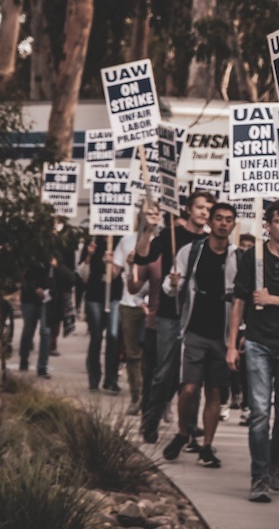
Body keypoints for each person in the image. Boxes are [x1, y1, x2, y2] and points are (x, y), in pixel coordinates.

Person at [227, 205, 279, 502]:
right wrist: (231, 345)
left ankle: (277, 459)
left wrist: (272, 299)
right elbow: (239, 301)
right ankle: (259, 477)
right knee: (260, 413)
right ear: (268, 225)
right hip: (257, 342)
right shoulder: (254, 256)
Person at [161, 201, 239, 468]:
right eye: (218, 218)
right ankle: (183, 432)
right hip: (194, 330)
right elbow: (172, 287)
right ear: (211, 222)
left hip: (222, 335)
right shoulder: (191, 251)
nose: (223, 223)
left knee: (215, 391)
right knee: (190, 388)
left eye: (229, 219)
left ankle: (207, 446)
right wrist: (173, 284)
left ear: (234, 224)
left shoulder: (237, 256)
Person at [134, 190, 215, 443]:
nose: (204, 213)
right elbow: (141, 256)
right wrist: (148, 228)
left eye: (208, 209)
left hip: (197, 315)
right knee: (165, 372)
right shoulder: (171, 234)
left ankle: (188, 425)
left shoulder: (211, 240)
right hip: (170, 314)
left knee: (193, 374)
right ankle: (151, 420)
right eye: (200, 207)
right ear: (189, 209)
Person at [114, 202, 161, 415]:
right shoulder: (127, 241)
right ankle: (137, 398)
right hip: (130, 305)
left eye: (156, 213)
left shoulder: (163, 242)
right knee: (133, 356)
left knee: (152, 357)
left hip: (155, 307)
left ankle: (156, 400)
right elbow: (115, 274)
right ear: (140, 215)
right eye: (148, 212)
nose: (152, 216)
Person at [78, 236, 122, 394]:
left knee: (113, 336)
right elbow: (83, 274)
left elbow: (121, 273)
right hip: (94, 295)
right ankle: (94, 378)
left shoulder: (120, 242)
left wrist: (112, 263)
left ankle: (111, 379)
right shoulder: (92, 242)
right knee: (96, 336)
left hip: (114, 296)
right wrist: (89, 255)